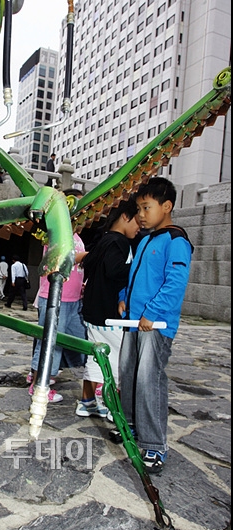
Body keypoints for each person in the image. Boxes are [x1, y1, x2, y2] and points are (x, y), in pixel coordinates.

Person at [116, 177, 194, 474]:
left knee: (150, 380)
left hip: (156, 325)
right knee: (128, 374)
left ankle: (154, 445)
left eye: (146, 207)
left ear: (167, 206)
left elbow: (176, 283)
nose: (141, 215)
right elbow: (134, 278)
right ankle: (133, 427)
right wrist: (124, 298)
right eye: (138, 208)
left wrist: (153, 312)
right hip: (135, 323)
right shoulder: (146, 240)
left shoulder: (176, 240)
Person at [75, 196, 140, 419]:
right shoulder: (119, 242)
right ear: (125, 216)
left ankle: (87, 401)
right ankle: (117, 409)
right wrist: (137, 270)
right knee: (121, 359)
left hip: (92, 310)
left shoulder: (103, 240)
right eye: (137, 222)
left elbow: (91, 264)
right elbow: (114, 271)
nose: (139, 228)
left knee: (96, 357)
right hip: (109, 314)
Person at [28, 189, 88, 403]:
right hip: (56, 299)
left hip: (73, 300)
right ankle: (39, 385)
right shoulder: (54, 231)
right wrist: (91, 256)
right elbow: (66, 255)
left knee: (79, 341)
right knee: (50, 344)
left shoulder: (77, 236)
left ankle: (43, 372)